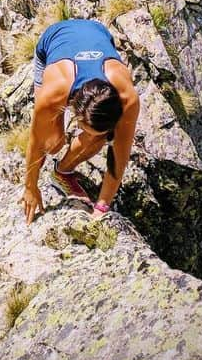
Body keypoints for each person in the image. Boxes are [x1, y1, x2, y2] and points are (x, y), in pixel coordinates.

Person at [20, 18, 139, 224]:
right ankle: (62, 150)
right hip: (54, 40)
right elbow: (36, 141)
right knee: (53, 143)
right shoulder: (54, 93)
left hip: (96, 32)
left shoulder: (127, 99)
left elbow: (119, 158)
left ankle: (62, 172)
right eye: (84, 128)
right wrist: (30, 187)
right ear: (74, 112)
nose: (90, 136)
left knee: (99, 139)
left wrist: (101, 208)